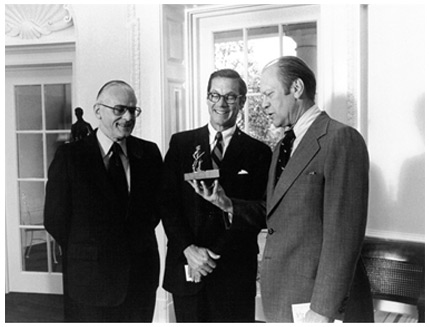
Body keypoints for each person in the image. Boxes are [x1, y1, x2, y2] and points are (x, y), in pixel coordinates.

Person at [190, 56, 374, 322]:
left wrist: (322, 310)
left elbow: (343, 236)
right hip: (285, 298)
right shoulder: (283, 147)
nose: (263, 103)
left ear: (296, 88)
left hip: (319, 305)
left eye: (268, 93)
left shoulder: (340, 139)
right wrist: (226, 203)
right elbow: (273, 210)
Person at [44, 80, 162, 322]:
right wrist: (91, 249)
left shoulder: (149, 153)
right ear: (98, 111)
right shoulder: (70, 157)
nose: (128, 117)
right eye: (119, 109)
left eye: (133, 110)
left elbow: (155, 210)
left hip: (139, 278)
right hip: (90, 281)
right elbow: (55, 220)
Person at [161, 69, 271, 322]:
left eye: (231, 97)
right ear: (207, 98)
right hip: (187, 266)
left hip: (233, 270)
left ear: (242, 102)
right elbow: (166, 203)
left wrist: (211, 255)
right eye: (215, 95)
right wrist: (189, 249)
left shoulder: (259, 153)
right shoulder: (181, 144)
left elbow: (263, 211)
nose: (221, 103)